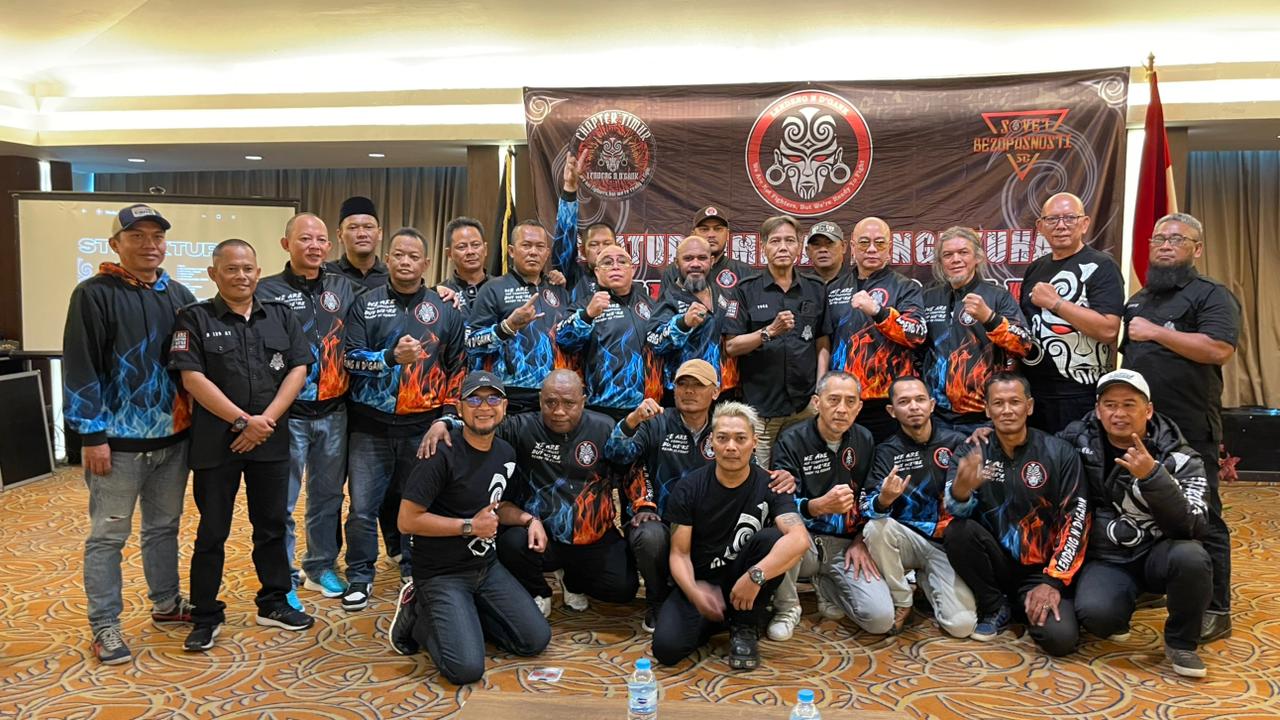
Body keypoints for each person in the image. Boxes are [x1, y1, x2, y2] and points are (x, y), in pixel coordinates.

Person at [63, 203, 198, 664]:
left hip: (173, 441)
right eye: (137, 236)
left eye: (157, 236)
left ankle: (166, 602)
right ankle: (105, 624)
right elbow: (80, 366)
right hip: (116, 445)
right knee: (108, 536)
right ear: (115, 244)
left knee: (164, 528)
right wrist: (91, 436)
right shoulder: (93, 294)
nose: (149, 245)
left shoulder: (178, 294)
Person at [169, 239, 315, 651]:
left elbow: (298, 369)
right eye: (231, 269)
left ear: (258, 271)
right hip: (218, 443)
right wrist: (241, 422)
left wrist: (264, 422)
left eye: (248, 268)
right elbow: (192, 378)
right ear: (213, 274)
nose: (241, 276)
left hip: (270, 438)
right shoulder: (193, 318)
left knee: (271, 526)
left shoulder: (281, 316)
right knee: (212, 531)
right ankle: (205, 614)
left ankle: (274, 602)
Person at [420, 370, 642, 615]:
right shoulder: (523, 426)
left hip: (592, 534)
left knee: (622, 589)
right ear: (540, 400)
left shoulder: (604, 426)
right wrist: (445, 422)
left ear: (583, 401)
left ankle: (572, 579)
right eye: (550, 403)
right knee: (511, 543)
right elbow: (483, 422)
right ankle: (539, 589)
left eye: (569, 403)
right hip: (540, 532)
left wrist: (642, 507)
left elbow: (628, 466)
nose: (559, 411)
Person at [1120, 212, 1239, 644]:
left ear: (1197, 249)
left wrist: (1155, 332)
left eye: (1177, 239)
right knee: (1150, 506)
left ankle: (1215, 607)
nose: (1166, 245)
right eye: (1159, 239)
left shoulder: (1211, 295)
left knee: (1203, 515)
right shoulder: (1139, 299)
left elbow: (1218, 349)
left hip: (1189, 426)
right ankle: (1159, 584)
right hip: (1146, 429)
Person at [388, 371, 550, 684]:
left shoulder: (504, 452)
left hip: (486, 567)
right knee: (465, 669)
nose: (484, 407)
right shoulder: (439, 452)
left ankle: (464, 617)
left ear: (504, 407)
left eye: (493, 399)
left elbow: (497, 505)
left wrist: (529, 520)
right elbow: (406, 521)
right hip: (440, 573)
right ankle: (418, 616)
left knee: (534, 640)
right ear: (459, 408)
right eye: (474, 399)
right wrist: (469, 527)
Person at [341, 227, 467, 611]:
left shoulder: (446, 310)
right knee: (362, 508)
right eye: (398, 255)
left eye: (414, 256)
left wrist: (447, 418)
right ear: (388, 259)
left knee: (419, 505)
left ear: (426, 263)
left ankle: (414, 568)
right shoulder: (365, 304)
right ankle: (359, 575)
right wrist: (389, 358)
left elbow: (458, 368)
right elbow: (349, 359)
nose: (405, 262)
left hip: (424, 428)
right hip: (370, 426)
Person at [1062, 369, 1213, 678]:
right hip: (1108, 557)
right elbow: (1036, 452)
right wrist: (986, 437)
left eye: (1129, 404)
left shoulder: (1180, 455)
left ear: (1149, 410)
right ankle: (1126, 601)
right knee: (1097, 616)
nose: (1119, 413)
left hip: (1159, 552)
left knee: (1192, 557)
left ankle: (1182, 643)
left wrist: (1153, 477)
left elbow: (1194, 526)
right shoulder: (1075, 439)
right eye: (1110, 405)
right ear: (1098, 410)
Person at [653, 402, 810, 670]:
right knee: (666, 650)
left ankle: (744, 625)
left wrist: (755, 576)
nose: (731, 447)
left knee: (773, 539)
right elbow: (679, 554)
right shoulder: (688, 487)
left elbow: (799, 540)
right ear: (711, 442)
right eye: (723, 438)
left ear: (754, 443)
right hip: (702, 583)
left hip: (746, 579)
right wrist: (694, 592)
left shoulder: (771, 485)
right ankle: (720, 618)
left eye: (740, 439)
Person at [256, 212, 361, 604]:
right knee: (281, 501)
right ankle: (282, 577)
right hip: (288, 414)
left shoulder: (345, 288)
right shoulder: (265, 291)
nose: (314, 246)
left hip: (335, 412)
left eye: (320, 240)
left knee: (328, 497)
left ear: (329, 246)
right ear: (286, 244)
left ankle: (320, 566)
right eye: (304, 239)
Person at [943, 374, 1088, 657]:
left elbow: (1077, 521)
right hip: (995, 563)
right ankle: (994, 605)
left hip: (1041, 570)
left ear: (1029, 406)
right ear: (987, 410)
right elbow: (956, 511)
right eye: (998, 403)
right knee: (958, 530)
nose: (1007, 410)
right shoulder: (972, 450)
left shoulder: (1059, 452)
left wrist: (1052, 582)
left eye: (1015, 402)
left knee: (1060, 639)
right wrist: (960, 492)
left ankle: (1024, 603)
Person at [767, 372, 888, 641]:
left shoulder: (865, 439)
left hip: (846, 546)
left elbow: (869, 496)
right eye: (833, 400)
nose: (841, 409)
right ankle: (787, 608)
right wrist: (816, 506)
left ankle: (827, 585)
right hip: (805, 543)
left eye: (850, 401)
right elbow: (780, 503)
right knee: (778, 534)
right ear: (816, 402)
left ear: (859, 407)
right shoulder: (791, 440)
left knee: (879, 619)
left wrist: (861, 538)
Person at [862, 376, 976, 638]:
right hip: (906, 540)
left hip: (946, 544)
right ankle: (902, 599)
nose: (914, 407)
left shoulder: (958, 443)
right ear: (891, 411)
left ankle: (926, 580)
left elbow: (972, 502)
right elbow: (866, 505)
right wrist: (884, 500)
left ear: (932, 405)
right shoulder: (885, 452)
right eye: (904, 402)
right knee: (876, 528)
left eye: (920, 399)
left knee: (961, 626)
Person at [724, 215, 829, 467]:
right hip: (761, 410)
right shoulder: (745, 290)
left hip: (804, 406)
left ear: (799, 246)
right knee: (758, 478)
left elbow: (822, 341)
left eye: (790, 240)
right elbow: (731, 346)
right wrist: (769, 331)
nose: (783, 247)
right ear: (763, 247)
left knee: (803, 474)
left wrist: (820, 389)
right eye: (775, 241)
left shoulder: (816, 288)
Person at [1019, 193, 1125, 434]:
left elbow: (1109, 330)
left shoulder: (1102, 266)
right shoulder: (1035, 268)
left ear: (1084, 223)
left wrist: (1056, 303)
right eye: (1052, 219)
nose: (1061, 225)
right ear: (1040, 226)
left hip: (1080, 392)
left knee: (1077, 456)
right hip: (1035, 391)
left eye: (1069, 218)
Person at [824, 217, 927, 442]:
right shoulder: (834, 288)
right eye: (864, 243)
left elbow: (917, 334)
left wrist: (879, 312)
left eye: (879, 243)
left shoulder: (905, 287)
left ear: (889, 248)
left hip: (887, 400)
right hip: (844, 400)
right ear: (852, 247)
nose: (871, 249)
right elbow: (824, 342)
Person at [920, 226, 1032, 433]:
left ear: (977, 257)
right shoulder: (928, 297)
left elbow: (1024, 346)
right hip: (935, 415)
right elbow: (916, 346)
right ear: (940, 262)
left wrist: (990, 319)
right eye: (948, 255)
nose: (956, 259)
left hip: (982, 417)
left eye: (963, 252)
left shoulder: (997, 296)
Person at [466, 221, 574, 414]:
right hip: (510, 396)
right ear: (511, 251)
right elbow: (471, 344)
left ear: (547, 253)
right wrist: (506, 327)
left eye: (539, 246)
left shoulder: (559, 290)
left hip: (554, 396)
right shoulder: (493, 289)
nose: (533, 252)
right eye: (526, 245)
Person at [554, 244, 661, 420]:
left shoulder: (652, 305)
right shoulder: (583, 305)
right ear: (597, 272)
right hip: (601, 407)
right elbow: (564, 341)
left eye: (622, 261)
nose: (615, 266)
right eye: (607, 262)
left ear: (632, 269)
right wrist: (587, 315)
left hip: (647, 406)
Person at [646, 235, 739, 401]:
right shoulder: (669, 299)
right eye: (688, 258)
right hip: (685, 391)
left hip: (724, 391)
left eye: (702, 258)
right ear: (677, 263)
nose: (695, 264)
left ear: (711, 261)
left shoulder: (726, 294)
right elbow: (655, 343)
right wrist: (683, 324)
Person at [553, 153, 621, 304]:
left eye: (607, 243)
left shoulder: (626, 280)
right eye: (594, 244)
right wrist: (570, 188)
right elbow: (564, 242)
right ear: (583, 251)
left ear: (617, 247)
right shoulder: (574, 276)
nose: (601, 249)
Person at [659, 205, 752, 294]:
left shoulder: (743, 272)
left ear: (727, 234)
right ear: (693, 234)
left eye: (718, 229)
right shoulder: (673, 271)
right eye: (704, 229)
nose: (711, 235)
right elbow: (664, 305)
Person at [325, 196, 389, 290]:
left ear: (379, 234)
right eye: (353, 228)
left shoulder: (392, 276)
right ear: (339, 235)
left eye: (368, 227)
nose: (362, 234)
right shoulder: (326, 274)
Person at [436, 216, 491, 315]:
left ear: (485, 249)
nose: (470, 251)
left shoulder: (502, 288)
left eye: (476, 245)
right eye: (462, 247)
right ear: (449, 253)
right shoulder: (439, 294)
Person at [802, 220, 848, 285]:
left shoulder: (858, 282)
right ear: (807, 251)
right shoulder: (800, 285)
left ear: (843, 247)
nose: (823, 250)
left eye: (829, 243)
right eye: (816, 244)